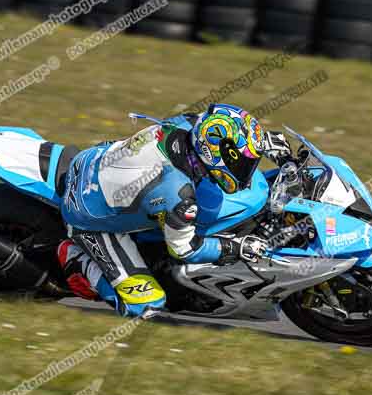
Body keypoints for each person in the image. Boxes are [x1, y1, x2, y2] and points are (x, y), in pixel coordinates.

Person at [56, 103, 291, 317]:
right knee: (147, 304)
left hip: (92, 160)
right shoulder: (177, 194)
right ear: (216, 156)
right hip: (85, 215)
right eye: (243, 163)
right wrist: (237, 247)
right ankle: (77, 260)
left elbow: (221, 126)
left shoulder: (189, 126)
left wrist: (263, 142)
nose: (247, 170)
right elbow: (185, 249)